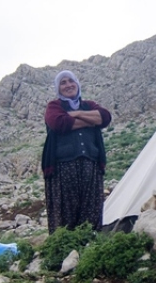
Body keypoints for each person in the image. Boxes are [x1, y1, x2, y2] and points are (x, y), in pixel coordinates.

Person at [42, 70, 112, 234]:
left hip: (91, 165)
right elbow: (59, 123)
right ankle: (65, 246)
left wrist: (78, 113)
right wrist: (91, 121)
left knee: (91, 210)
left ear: (77, 84)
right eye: (63, 83)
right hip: (63, 168)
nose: (68, 85)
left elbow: (105, 117)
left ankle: (89, 245)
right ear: (58, 88)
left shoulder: (89, 105)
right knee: (66, 214)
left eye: (71, 81)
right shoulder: (54, 106)